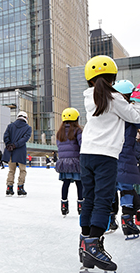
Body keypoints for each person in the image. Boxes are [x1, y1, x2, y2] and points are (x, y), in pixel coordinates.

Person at [78, 55, 140, 272]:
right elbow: (135, 117)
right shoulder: (114, 98)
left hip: (86, 155)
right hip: (105, 156)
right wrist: (137, 101)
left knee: (90, 199)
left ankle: (84, 242)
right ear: (112, 77)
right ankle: (93, 246)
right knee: (103, 201)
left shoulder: (90, 96)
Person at [109, 80, 140, 239]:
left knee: (111, 190)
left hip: (110, 157)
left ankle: (109, 221)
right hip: (126, 157)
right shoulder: (131, 113)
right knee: (127, 191)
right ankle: (127, 223)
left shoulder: (111, 112)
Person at [55, 107, 83, 217]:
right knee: (79, 184)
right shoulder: (78, 131)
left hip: (63, 162)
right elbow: (82, 145)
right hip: (75, 162)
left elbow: (59, 146)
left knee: (65, 183)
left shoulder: (60, 132)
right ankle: (81, 205)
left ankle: (64, 204)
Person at [2, 111, 32, 197]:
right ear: (25, 118)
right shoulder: (28, 128)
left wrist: (9, 145)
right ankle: (20, 188)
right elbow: (25, 138)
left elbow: (5, 136)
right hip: (20, 152)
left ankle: (9, 188)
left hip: (10, 151)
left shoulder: (10, 126)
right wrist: (16, 145)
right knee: (22, 170)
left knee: (11, 170)